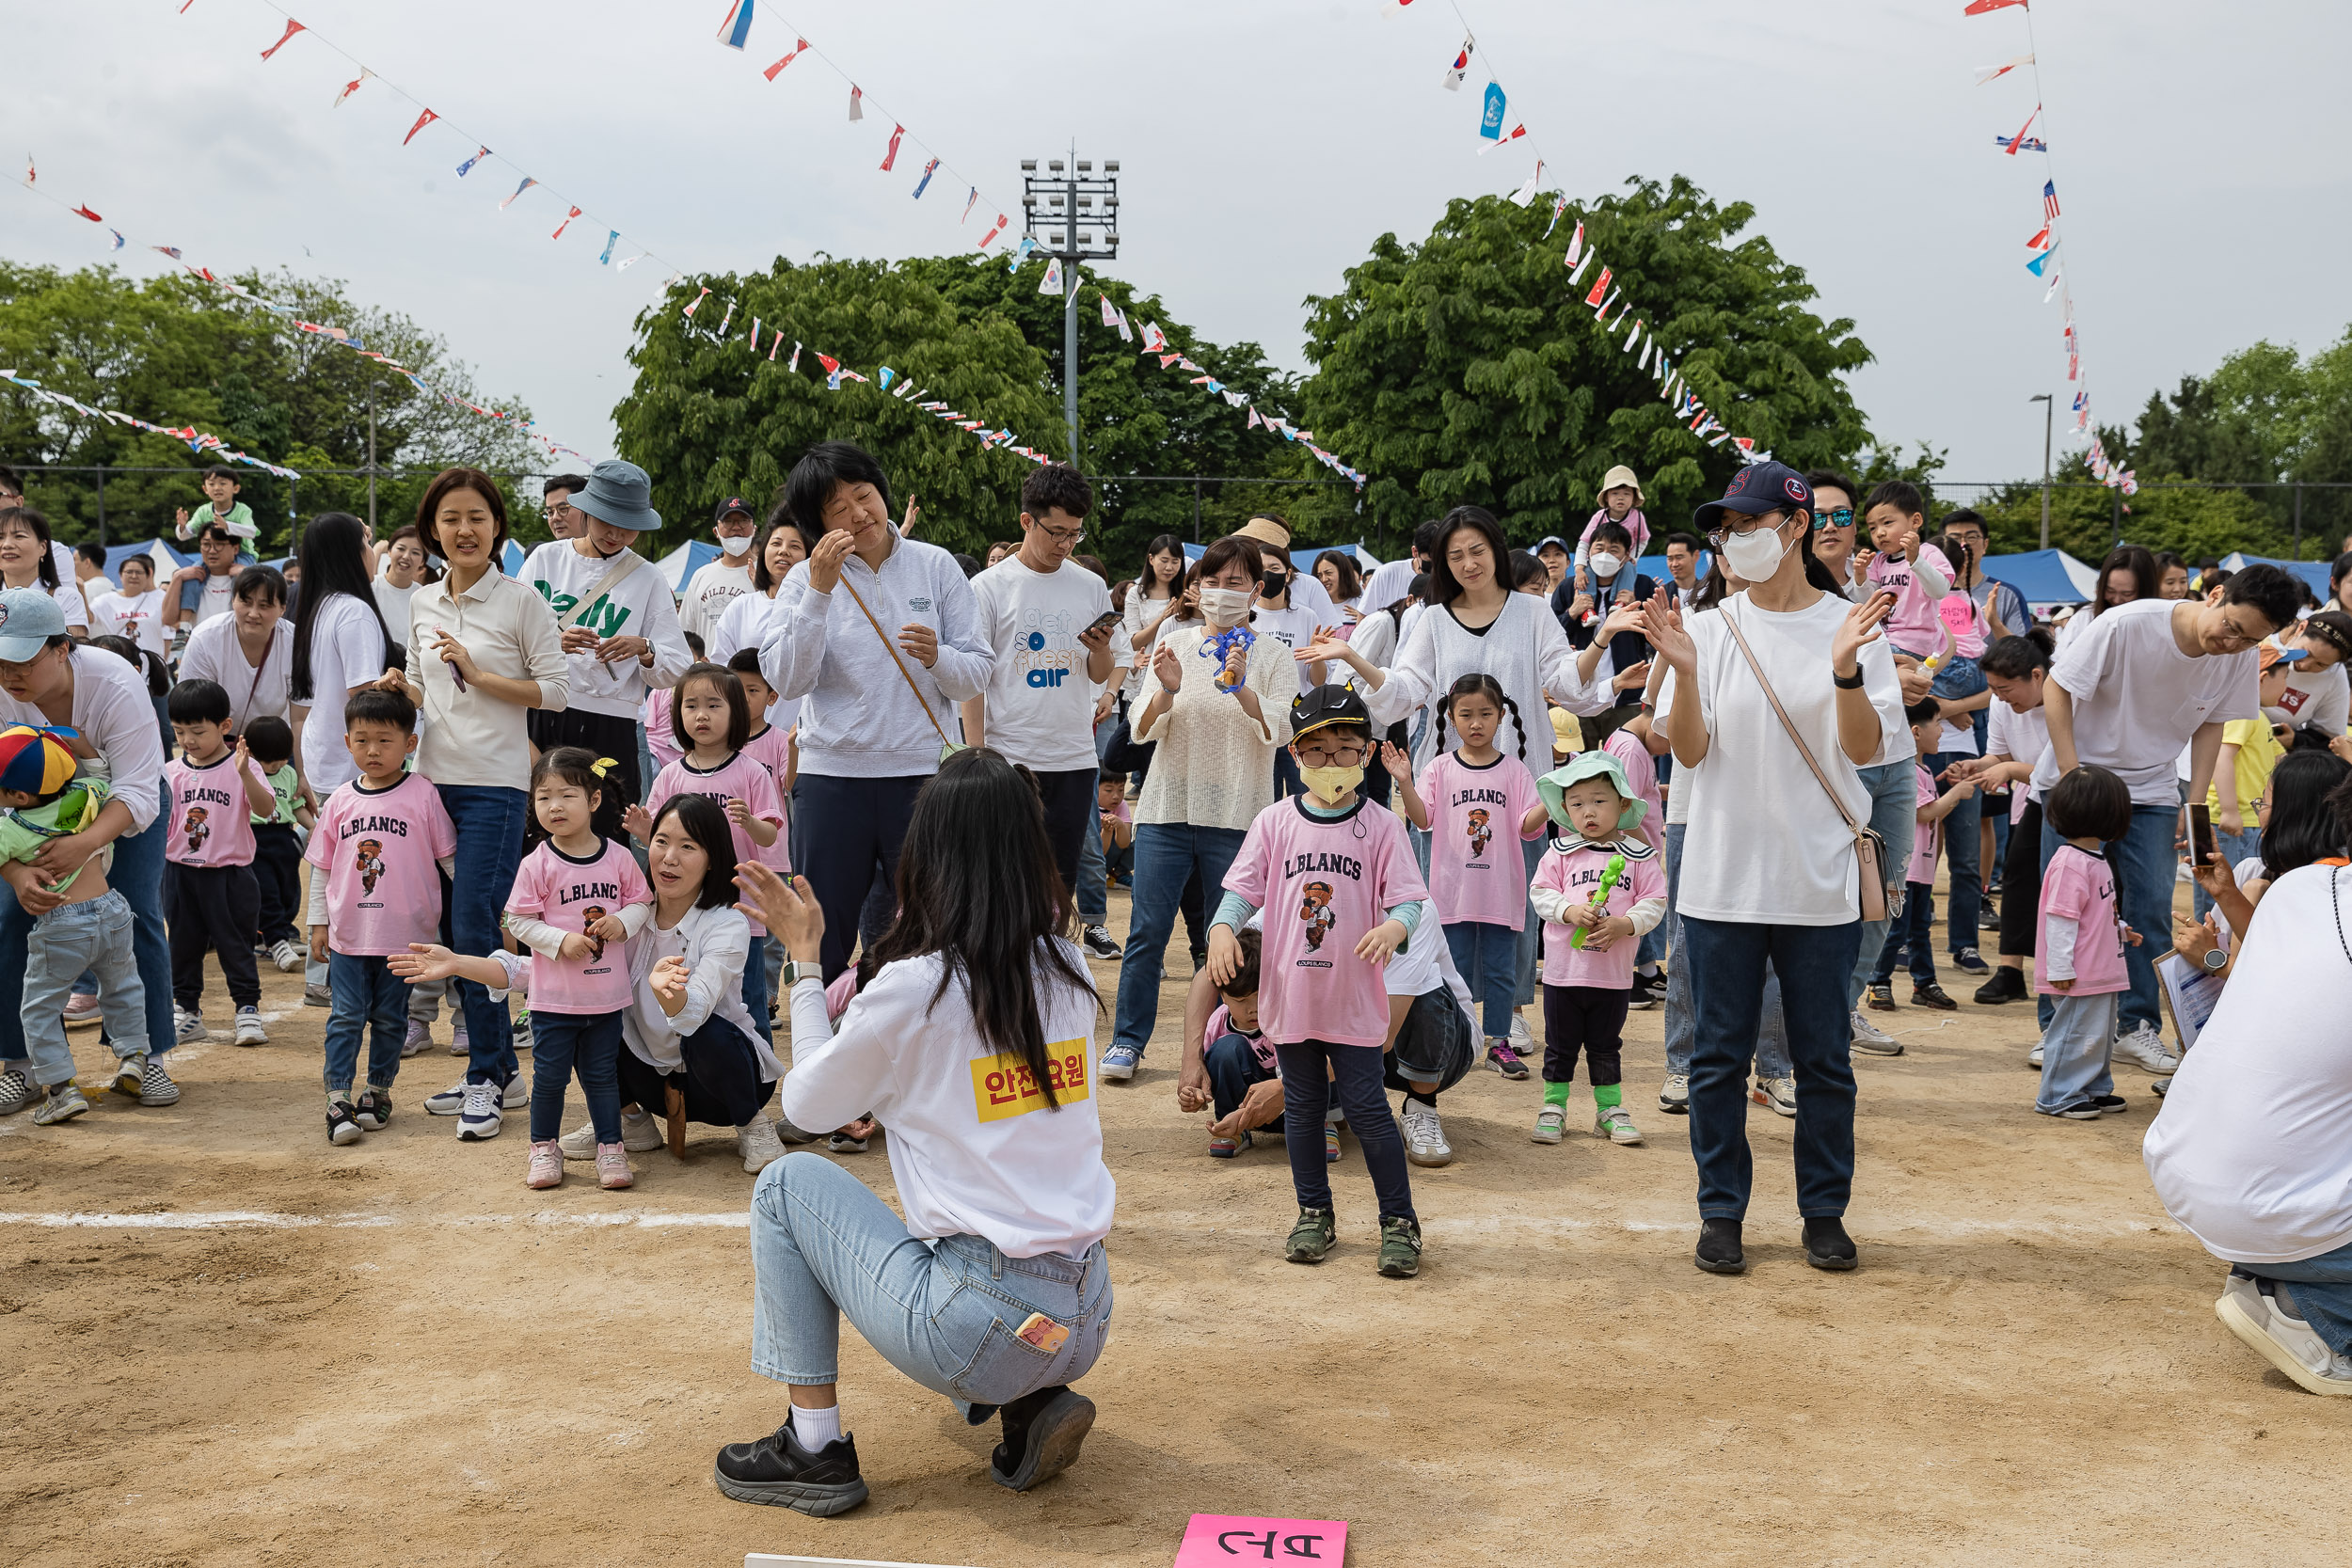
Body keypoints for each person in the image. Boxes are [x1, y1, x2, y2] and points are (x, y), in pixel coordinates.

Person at [716, 750, 1115, 1513]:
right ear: (1031, 850)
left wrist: (805, 961)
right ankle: (1031, 1401)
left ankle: (814, 1444)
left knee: (786, 1185)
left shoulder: (914, 988)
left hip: (983, 1319)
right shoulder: (1070, 964)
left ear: (927, 853)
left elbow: (804, 1107)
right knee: (978, 1194)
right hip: (1086, 1312)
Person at [1640, 462, 1902, 1277]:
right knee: (1718, 1056)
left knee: (1824, 1057)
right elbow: (1687, 749)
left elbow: (1864, 750)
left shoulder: (1851, 624)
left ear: (1793, 528)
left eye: (1747, 525)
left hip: (1817, 883)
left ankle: (1824, 1212)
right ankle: (1721, 1211)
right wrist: (1683, 670)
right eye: (1726, 529)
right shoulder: (1711, 630)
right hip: (1721, 878)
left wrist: (1846, 667)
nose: (1733, 541)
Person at [1303, 505, 1598, 1058]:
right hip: (1446, 793)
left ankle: (1508, 1014)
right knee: (1442, 906)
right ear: (1441, 562)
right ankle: (1449, 1009)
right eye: (1455, 555)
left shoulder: (1534, 613)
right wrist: (1352, 658)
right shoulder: (1432, 619)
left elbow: (1566, 682)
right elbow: (1404, 688)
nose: (1468, 563)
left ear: (1496, 549)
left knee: (1515, 907)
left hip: (1520, 792)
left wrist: (1601, 642)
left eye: (1477, 551)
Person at [2032, 562, 2300, 1073]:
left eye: (2249, 641)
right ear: (2216, 594)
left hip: (2153, 790)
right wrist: (2074, 777)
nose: (2232, 644)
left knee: (2151, 908)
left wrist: (2193, 803)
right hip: (2081, 783)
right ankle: (2058, 1029)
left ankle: (2136, 1027)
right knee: (2067, 907)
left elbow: (2212, 727)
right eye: (2232, 627)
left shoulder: (2240, 656)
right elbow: (2058, 688)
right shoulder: (2126, 624)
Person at [1208, 685, 1430, 1275]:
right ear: (1296, 752)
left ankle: (1399, 1222)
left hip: (1353, 1000)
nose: (1332, 762)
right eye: (1319, 750)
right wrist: (1221, 930)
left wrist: (1393, 929)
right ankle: (1314, 1212)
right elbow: (1241, 890)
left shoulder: (1383, 826)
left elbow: (1410, 900)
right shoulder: (1275, 821)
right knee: (1304, 1108)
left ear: (1366, 753)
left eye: (1345, 749)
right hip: (1291, 997)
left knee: (1367, 1109)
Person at [386, 467, 571, 1133]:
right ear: (432, 529)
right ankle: (504, 1075)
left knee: (473, 924)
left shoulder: (522, 601)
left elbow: (555, 690)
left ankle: (485, 1076)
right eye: (451, 518)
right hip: (430, 783)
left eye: (478, 517)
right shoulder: (421, 601)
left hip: (496, 786)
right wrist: (396, 686)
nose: (465, 530)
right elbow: (417, 682)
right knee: (444, 928)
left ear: (497, 526)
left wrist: (481, 673)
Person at [760, 442, 986, 982]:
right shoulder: (801, 581)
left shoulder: (936, 567)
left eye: (864, 495)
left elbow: (977, 671)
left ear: (881, 490)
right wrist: (817, 592)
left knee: (930, 926)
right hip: (831, 778)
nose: (860, 514)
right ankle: (824, 1049)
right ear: (818, 521)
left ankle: (918, 1044)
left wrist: (939, 658)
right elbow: (787, 680)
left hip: (923, 777)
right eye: (838, 509)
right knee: (823, 928)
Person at [2144, 825, 2352, 1395]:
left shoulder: (2300, 884)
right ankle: (2310, 1313)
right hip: (2271, 1208)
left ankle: (2271, 1275)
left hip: (2193, 1173)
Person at [1103, 535, 1297, 1079]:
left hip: (1238, 818)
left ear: (1257, 590)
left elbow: (1279, 731)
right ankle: (1128, 1041)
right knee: (1146, 932)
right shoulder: (1177, 643)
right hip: (1166, 809)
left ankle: (1222, 1049)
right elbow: (1141, 728)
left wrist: (1239, 687)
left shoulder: (1275, 655)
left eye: (1235, 583)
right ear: (1195, 589)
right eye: (1210, 581)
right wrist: (1165, 689)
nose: (1220, 592)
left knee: (1227, 940)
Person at [0, 588, 177, 1114]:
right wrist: (14, 872)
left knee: (133, 911)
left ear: (62, 649)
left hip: (122, 796)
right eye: (1, 658)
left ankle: (145, 1059)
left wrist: (84, 844)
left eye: (24, 658)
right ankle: (21, 1064)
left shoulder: (114, 682)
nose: (10, 672)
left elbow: (141, 789)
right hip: (28, 808)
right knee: (13, 916)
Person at [546, 793, 785, 1171]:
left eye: (688, 846)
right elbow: (571, 975)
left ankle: (753, 1125)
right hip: (650, 1078)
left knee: (709, 1033)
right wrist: (476, 962)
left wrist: (665, 992)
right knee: (579, 1012)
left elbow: (693, 1016)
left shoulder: (727, 924)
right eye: (661, 841)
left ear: (712, 860)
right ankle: (631, 1120)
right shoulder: (628, 916)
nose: (669, 858)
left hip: (725, 1087)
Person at [305, 687, 457, 1144]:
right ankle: (337, 1097)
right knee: (346, 1016)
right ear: (347, 741)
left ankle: (377, 1090)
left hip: (404, 938)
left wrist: (469, 918)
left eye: (385, 740)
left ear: (410, 744)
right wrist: (318, 922)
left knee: (392, 1018)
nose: (373, 750)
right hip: (349, 934)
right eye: (362, 739)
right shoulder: (338, 801)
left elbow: (449, 862)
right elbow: (323, 867)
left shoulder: (424, 794)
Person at [1804, 469, 1919, 1061]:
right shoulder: (1793, 596)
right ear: (1797, 522)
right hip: (1833, 768)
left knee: (1886, 895)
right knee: (1823, 898)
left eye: (1843, 515)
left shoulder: (1878, 586)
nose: (1831, 526)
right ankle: (1805, 1024)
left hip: (1896, 762)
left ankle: (1844, 1010)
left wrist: (1905, 679)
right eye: (1819, 515)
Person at [961, 467, 1117, 900]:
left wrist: (1101, 646)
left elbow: (1099, 672)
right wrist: (978, 754)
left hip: (1073, 756)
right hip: (1009, 759)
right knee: (1002, 884)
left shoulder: (1090, 586)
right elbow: (973, 678)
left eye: (1075, 535)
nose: (1065, 545)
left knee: (1058, 887)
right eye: (1056, 533)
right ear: (1026, 521)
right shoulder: (988, 588)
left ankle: (1048, 967)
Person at [504, 748, 655, 1183]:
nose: (554, 806)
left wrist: (622, 923)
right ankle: (544, 1150)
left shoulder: (619, 857)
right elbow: (517, 919)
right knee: (550, 1079)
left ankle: (611, 1150)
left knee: (602, 1078)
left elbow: (642, 903)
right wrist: (559, 940)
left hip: (605, 997)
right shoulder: (537, 863)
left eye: (566, 795)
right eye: (543, 796)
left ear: (592, 800)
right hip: (554, 1001)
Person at [524, 459, 692, 845]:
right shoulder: (545, 560)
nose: (616, 533)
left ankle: (605, 906)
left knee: (605, 832)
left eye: (628, 525)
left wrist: (644, 648)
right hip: (545, 712)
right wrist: (553, 642)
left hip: (612, 722)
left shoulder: (648, 576)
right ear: (585, 512)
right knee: (536, 829)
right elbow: (509, 636)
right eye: (605, 520)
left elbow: (678, 665)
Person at [1394, 674, 1543, 1074]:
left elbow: (1529, 827)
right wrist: (1406, 782)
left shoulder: (1515, 772)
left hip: (1500, 893)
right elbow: (1422, 819)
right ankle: (1455, 1038)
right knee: (1451, 970)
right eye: (1466, 715)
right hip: (1451, 893)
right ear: (1452, 719)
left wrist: (1552, 799)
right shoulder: (1439, 769)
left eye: (1485, 714)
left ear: (1501, 717)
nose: (1476, 723)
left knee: (1501, 970)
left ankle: (1499, 1042)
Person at [0, 726, 147, 1126]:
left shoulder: (9, 827)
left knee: (39, 1009)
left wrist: (14, 869)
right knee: (123, 988)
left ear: (19, 797)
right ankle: (135, 1059)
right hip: (113, 911)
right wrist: (73, 742)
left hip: (62, 923)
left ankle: (61, 1089)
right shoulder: (87, 794)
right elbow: (101, 772)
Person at [630, 662, 786, 1034]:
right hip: (683, 912)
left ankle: (754, 1064)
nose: (701, 715)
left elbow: (770, 836)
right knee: (693, 988)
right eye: (691, 706)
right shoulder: (670, 774)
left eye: (714, 705)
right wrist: (643, 830)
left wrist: (750, 822)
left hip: (738, 906)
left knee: (746, 997)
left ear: (736, 712)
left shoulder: (750, 771)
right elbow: (661, 839)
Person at [1527, 750, 1666, 1146]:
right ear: (1565, 810)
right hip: (1563, 975)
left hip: (1613, 977)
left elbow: (1654, 902)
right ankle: (1553, 1107)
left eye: (1598, 801)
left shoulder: (1639, 856)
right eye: (1577, 803)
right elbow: (1540, 893)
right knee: (1560, 1046)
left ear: (1622, 804)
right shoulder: (1560, 852)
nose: (1588, 812)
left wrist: (1626, 924)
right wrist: (1570, 912)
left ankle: (1609, 1110)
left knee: (1606, 1047)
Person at [161, 678, 279, 1048]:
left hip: (229, 875)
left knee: (236, 945)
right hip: (180, 871)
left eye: (198, 731)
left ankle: (247, 1010)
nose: (188, 740)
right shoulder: (172, 771)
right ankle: (187, 1011)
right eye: (180, 731)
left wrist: (244, 773)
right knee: (182, 944)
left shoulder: (243, 766)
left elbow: (265, 809)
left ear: (224, 727)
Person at [1948, 631, 2055, 1005]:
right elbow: (1999, 754)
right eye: (1993, 689)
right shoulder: (2002, 706)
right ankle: (2010, 970)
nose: (2000, 697)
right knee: (2017, 879)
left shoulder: (2065, 702)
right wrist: (1978, 766)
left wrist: (2008, 769)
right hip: (2034, 801)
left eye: (2006, 688)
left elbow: (2060, 770)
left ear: (2037, 676)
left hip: (2072, 803)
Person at [2030, 764, 2141, 1120]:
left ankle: (2092, 1086)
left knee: (2098, 1034)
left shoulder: (2095, 859)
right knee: (2075, 1033)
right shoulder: (2070, 863)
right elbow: (2060, 918)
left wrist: (2120, 929)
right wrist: (2061, 966)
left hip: (2100, 968)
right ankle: (2057, 1095)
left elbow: (2095, 912)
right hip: (2079, 973)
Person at [1864, 697, 1976, 1012]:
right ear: (1914, 731)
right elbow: (1926, 813)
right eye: (1937, 723)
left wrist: (1950, 786)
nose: (1941, 730)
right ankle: (1878, 982)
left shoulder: (1923, 771)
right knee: (1895, 930)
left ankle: (1924, 982)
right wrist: (1957, 793)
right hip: (1906, 870)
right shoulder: (1907, 772)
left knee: (1919, 930)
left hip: (1921, 871)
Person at [2196, 644, 2299, 922]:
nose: (2287, 684)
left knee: (2238, 893)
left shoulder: (2260, 716)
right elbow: (2222, 757)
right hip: (2231, 823)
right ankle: (2212, 952)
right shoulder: (2243, 714)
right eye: (2285, 676)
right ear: (2263, 677)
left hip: (2251, 820)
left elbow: (2281, 762)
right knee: (2218, 897)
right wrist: (2230, 810)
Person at [177, 566, 294, 736]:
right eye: (246, 602)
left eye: (264, 605)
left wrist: (300, 762)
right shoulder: (205, 637)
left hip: (276, 739)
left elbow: (301, 716)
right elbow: (191, 704)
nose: (253, 613)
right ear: (233, 600)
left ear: (282, 608)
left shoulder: (295, 643)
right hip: (218, 738)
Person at [242, 713, 310, 974]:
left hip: (284, 838)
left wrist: (313, 826)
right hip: (255, 838)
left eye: (281, 758)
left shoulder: (288, 773)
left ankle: (271, 935)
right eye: (268, 760)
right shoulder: (245, 772)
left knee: (288, 892)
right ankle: (278, 941)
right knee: (267, 892)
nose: (275, 765)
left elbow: (297, 806)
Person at [682, 497, 761, 646]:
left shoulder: (766, 572)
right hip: (709, 669)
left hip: (752, 668)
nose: (736, 527)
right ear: (716, 531)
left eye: (743, 521)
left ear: (754, 529)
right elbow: (686, 633)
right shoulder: (701, 576)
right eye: (728, 521)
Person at [1569, 466, 1650, 607]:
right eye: (1615, 493)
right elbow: (1584, 543)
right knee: (1586, 573)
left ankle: (1620, 603)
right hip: (1596, 562)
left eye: (1626, 493)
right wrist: (1579, 569)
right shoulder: (1599, 517)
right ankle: (1587, 608)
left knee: (1629, 569)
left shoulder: (1637, 517)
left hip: (1620, 561)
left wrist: (1631, 557)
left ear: (1633, 498)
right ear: (1606, 497)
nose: (1621, 498)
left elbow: (1642, 540)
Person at [0, 507, 88, 636]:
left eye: (19, 536)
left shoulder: (66, 598)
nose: (7, 544)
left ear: (43, 547)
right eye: (0, 537)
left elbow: (73, 648)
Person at [2267, 609, 2352, 741]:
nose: (2304, 665)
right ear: (2301, 628)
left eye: (2320, 665)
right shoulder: (2264, 640)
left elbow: (2330, 737)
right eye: (2306, 653)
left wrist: (2295, 740)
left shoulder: (2334, 675)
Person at [166, 521, 248, 638]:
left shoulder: (247, 578)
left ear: (235, 549)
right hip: (200, 651)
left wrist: (248, 575)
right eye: (206, 544)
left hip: (236, 648)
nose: (212, 550)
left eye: (219, 544)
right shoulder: (190, 578)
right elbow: (168, 620)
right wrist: (176, 578)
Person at [87, 553, 167, 661]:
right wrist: (80, 590)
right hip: (118, 662)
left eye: (139, 572)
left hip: (151, 665)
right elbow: (89, 618)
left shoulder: (159, 599)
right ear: (120, 575)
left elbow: (171, 626)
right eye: (129, 572)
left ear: (148, 576)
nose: (134, 576)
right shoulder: (106, 600)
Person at [373, 524, 437, 632]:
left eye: (415, 552)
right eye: (401, 549)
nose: (406, 556)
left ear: (422, 562)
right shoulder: (371, 587)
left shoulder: (423, 597)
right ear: (389, 551)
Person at [1315, 549, 1366, 619]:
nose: (1324, 579)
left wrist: (1366, 619)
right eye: (1319, 575)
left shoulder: (1363, 601)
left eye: (1328, 573)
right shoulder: (1314, 607)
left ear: (1343, 573)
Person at [1660, 532, 1705, 606]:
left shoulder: (1708, 592)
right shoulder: (1662, 595)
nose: (1674, 564)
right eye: (1670, 559)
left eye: (1679, 557)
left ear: (1695, 556)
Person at [542, 474, 590, 542]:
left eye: (562, 509)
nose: (555, 518)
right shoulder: (542, 552)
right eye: (550, 512)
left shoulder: (608, 548)